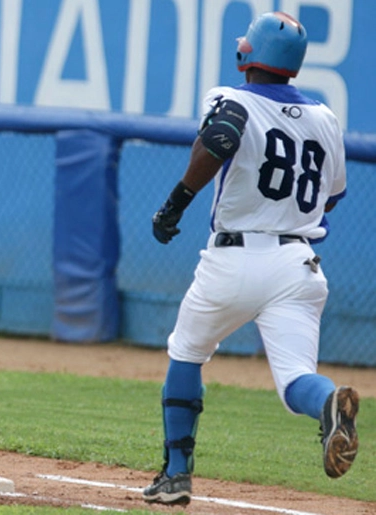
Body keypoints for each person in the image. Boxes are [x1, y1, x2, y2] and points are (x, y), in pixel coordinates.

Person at [143, 11, 359, 506]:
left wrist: (174, 203)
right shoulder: (325, 119)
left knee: (187, 350)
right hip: (299, 264)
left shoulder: (231, 97)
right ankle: (328, 405)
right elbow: (330, 197)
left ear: (250, 54)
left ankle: (176, 475)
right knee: (296, 380)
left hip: (235, 258)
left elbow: (221, 137)